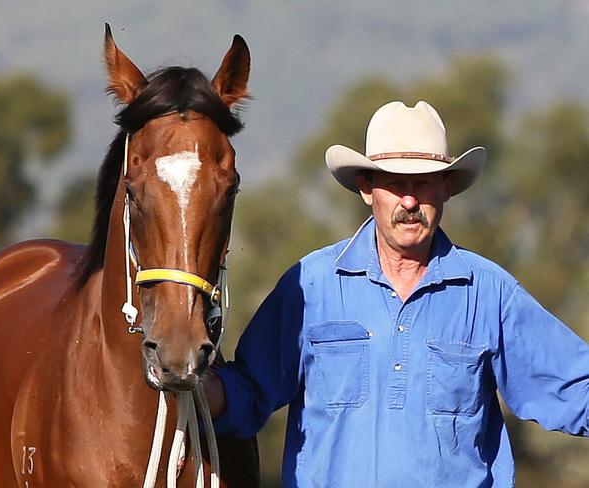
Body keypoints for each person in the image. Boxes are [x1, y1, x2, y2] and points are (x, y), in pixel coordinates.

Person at [204, 101, 589, 487]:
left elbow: (575, 388)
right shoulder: (311, 285)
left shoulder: (489, 293)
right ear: (367, 189)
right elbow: (250, 391)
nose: (409, 201)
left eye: (422, 183)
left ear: (446, 189)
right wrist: (195, 390)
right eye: (394, 183)